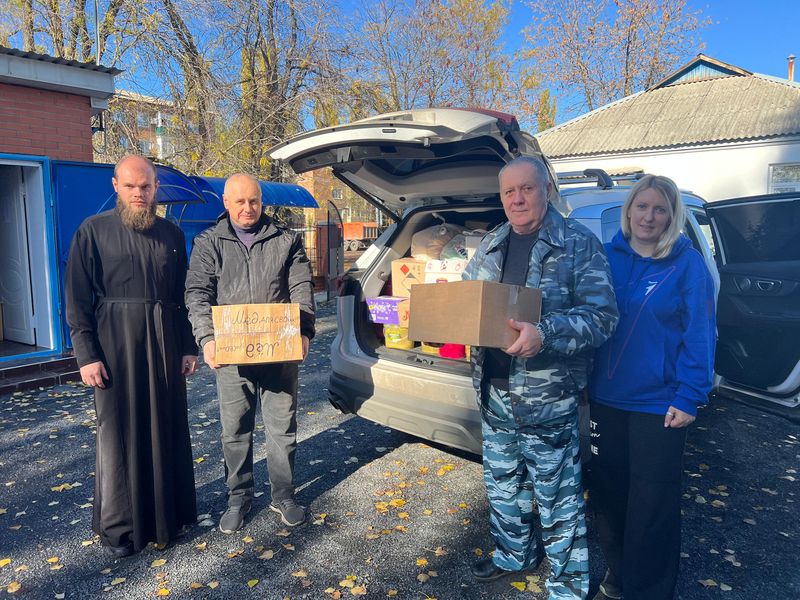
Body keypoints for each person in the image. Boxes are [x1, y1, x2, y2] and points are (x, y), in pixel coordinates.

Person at [463, 156, 619, 599]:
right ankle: (514, 555)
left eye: (526, 189)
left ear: (546, 189)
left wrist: (545, 334)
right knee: (503, 482)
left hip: (548, 397)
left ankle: (568, 584)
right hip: (494, 393)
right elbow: (467, 303)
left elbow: (603, 317)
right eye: (509, 192)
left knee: (558, 497)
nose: (517, 199)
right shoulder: (491, 243)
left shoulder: (577, 243)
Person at [588, 175, 716, 600]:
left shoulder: (687, 264)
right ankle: (621, 572)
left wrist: (690, 395)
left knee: (652, 503)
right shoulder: (606, 257)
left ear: (671, 215)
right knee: (609, 498)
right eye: (641, 207)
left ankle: (650, 590)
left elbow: (700, 333)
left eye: (659, 209)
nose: (649, 216)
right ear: (628, 211)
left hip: (660, 404)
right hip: (605, 400)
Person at [65, 155, 198, 558]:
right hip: (114, 348)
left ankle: (166, 519)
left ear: (156, 188)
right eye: (130, 186)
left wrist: (189, 346)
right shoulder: (92, 231)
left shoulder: (172, 235)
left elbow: (181, 298)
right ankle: (120, 528)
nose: (139, 194)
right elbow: (76, 300)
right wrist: (86, 355)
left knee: (165, 428)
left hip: (164, 346)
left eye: (146, 186)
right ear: (116, 186)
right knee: (118, 434)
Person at [185, 173, 315, 533]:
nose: (247, 208)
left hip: (278, 352)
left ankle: (284, 494)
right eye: (239, 201)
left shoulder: (286, 241)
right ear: (226, 203)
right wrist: (207, 339)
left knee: (281, 428)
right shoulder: (209, 242)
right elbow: (197, 293)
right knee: (234, 430)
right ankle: (238, 496)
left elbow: (301, 287)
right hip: (231, 354)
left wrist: (304, 331)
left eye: (254, 201)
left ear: (262, 201)